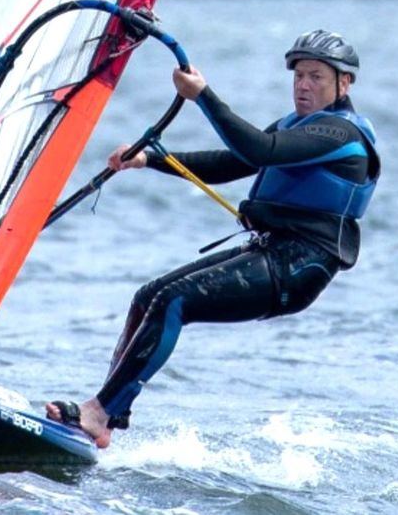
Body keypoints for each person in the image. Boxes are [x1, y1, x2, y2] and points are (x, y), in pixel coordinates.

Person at [46, 29, 380, 448]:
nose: (303, 85)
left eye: (315, 76)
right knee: (149, 295)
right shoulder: (301, 126)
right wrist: (151, 159)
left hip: (298, 267)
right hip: (273, 251)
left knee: (174, 301)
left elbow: (258, 149)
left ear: (343, 83)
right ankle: (106, 417)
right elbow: (231, 162)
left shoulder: (339, 134)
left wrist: (203, 95)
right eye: (298, 76)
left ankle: (98, 413)